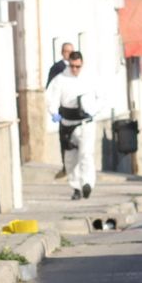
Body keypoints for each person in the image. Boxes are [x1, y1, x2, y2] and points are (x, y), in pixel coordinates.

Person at [46, 51, 98, 199]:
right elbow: (51, 98)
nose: (75, 69)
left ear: (82, 64)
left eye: (78, 66)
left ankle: (87, 183)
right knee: (70, 158)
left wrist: (93, 109)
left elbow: (102, 97)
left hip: (85, 123)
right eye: (72, 66)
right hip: (67, 123)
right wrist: (53, 112)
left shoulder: (90, 78)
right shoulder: (60, 79)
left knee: (86, 154)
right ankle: (76, 187)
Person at [46, 42, 74, 178]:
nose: (69, 54)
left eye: (71, 51)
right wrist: (53, 111)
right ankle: (66, 166)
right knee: (65, 138)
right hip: (64, 110)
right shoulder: (57, 68)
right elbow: (50, 90)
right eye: (67, 51)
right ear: (62, 52)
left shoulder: (77, 68)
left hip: (77, 111)